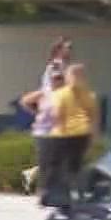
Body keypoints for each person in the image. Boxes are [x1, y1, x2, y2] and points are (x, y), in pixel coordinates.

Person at [48, 63, 98, 200]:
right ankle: (80, 194)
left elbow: (57, 115)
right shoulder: (89, 94)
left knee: (61, 167)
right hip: (82, 133)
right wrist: (93, 137)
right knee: (77, 165)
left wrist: (58, 131)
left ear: (68, 77)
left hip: (64, 134)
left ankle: (61, 196)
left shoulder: (60, 94)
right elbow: (93, 117)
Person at [21, 63, 65, 201]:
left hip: (58, 133)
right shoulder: (45, 92)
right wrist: (36, 112)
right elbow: (25, 101)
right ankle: (43, 194)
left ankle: (32, 175)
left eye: (60, 78)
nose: (57, 81)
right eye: (55, 78)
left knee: (56, 162)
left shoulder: (65, 94)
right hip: (42, 133)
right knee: (47, 163)